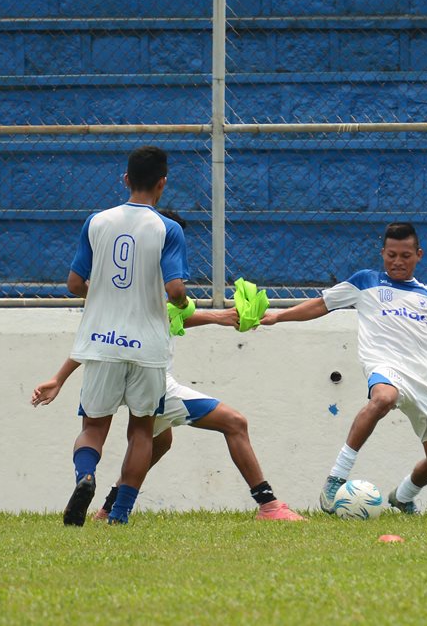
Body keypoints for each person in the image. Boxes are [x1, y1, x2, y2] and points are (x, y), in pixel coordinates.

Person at [261, 222, 427, 514]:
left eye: (405, 255)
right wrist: (278, 317)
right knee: (383, 398)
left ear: (419, 255)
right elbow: (320, 305)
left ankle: (402, 496)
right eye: (391, 255)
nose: (397, 261)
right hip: (385, 366)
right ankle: (335, 480)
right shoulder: (366, 282)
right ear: (382, 253)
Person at [31, 310, 305, 522]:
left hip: (107, 366)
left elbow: (96, 334)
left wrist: (59, 377)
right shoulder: (157, 263)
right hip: (153, 379)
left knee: (157, 440)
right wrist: (219, 316)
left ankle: (106, 506)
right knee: (234, 422)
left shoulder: (112, 281)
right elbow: (171, 305)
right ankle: (268, 504)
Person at [61, 146, 189, 526]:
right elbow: (177, 289)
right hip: (147, 347)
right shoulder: (168, 228)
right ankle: (119, 514)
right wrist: (180, 303)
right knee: (141, 430)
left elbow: (73, 284)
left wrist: (104, 292)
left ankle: (85, 475)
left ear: (126, 180)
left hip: (101, 343)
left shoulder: (97, 222)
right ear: (163, 184)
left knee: (94, 428)